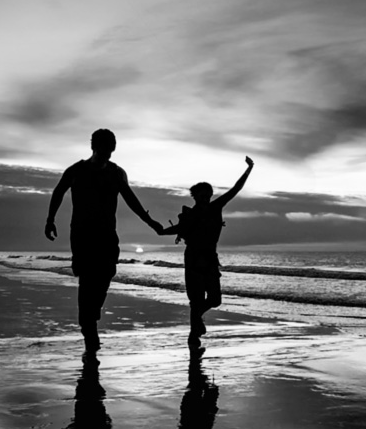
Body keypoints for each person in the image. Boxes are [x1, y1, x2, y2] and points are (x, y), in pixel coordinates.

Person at [46, 129, 163, 356]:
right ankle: (89, 329)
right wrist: (50, 220)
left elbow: (131, 200)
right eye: (103, 147)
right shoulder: (76, 170)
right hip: (81, 235)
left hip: (107, 235)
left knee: (107, 273)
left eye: (110, 148)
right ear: (93, 146)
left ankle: (90, 316)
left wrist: (151, 223)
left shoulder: (117, 173)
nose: (107, 152)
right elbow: (58, 192)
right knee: (87, 280)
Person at [159, 156, 254, 347]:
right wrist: (159, 229)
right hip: (193, 259)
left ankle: (196, 321)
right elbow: (176, 229)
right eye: (201, 196)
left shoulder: (215, 207)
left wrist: (249, 169)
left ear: (210, 195)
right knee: (196, 300)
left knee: (215, 299)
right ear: (195, 197)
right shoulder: (190, 215)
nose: (204, 199)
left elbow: (236, 189)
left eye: (207, 195)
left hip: (210, 258)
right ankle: (193, 335)